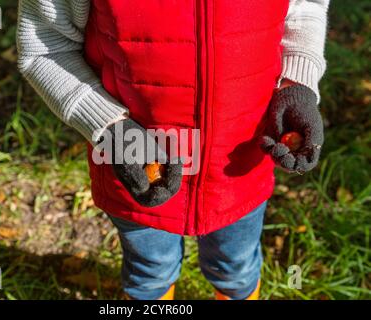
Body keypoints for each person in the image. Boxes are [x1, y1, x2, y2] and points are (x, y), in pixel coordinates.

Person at [17, 0, 330, 300]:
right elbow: (46, 47)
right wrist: (111, 129)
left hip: (238, 169)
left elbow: (304, 9)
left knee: (237, 269)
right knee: (149, 273)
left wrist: (297, 83)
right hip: (134, 166)